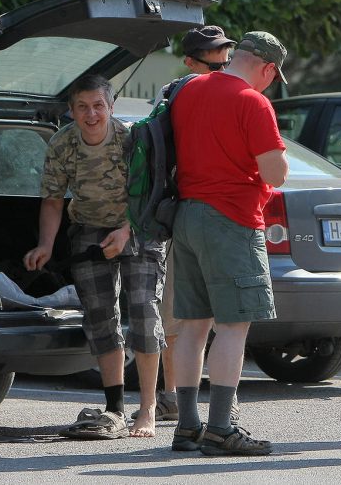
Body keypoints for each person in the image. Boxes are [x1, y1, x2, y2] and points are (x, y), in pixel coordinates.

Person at [24, 75, 165, 439]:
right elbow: (54, 200)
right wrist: (45, 245)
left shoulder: (132, 140)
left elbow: (151, 196)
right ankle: (115, 408)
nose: (91, 114)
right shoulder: (61, 144)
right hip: (88, 228)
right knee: (101, 317)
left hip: (138, 226)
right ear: (71, 111)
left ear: (111, 106)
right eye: (83, 107)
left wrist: (126, 231)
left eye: (98, 106)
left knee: (144, 312)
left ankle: (147, 409)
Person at [168, 31, 289, 456]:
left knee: (192, 328)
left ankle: (187, 426)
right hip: (232, 220)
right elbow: (274, 173)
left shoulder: (188, 90)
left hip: (186, 217)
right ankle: (220, 428)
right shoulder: (253, 102)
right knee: (234, 327)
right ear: (268, 68)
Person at [145, 25, 237, 423]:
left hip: (209, 214)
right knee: (183, 317)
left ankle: (209, 403)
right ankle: (176, 399)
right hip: (186, 213)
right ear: (189, 62)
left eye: (226, 62)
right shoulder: (176, 96)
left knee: (216, 319)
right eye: (211, 63)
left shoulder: (229, 93)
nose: (220, 69)